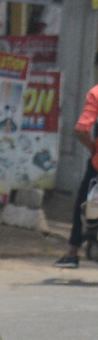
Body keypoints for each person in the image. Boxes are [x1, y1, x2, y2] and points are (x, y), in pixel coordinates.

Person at [53, 82, 98, 267]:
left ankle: (73, 252)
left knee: (83, 201)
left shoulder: (96, 93)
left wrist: (93, 148)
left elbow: (81, 129)